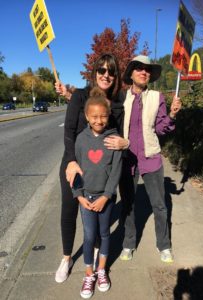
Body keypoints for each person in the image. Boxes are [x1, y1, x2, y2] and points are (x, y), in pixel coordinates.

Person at [54, 53, 127, 284]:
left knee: (96, 213)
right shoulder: (79, 96)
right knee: (69, 209)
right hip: (74, 165)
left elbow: (118, 138)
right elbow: (69, 132)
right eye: (102, 70)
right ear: (95, 72)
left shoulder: (117, 104)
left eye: (111, 71)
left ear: (115, 76)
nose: (106, 75)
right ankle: (67, 258)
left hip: (100, 170)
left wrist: (125, 143)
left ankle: (97, 252)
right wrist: (72, 161)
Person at [104, 55, 182, 263]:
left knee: (159, 205)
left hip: (151, 157)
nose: (144, 72)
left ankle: (164, 245)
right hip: (127, 158)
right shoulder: (121, 98)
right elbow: (105, 115)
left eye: (147, 69)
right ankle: (128, 243)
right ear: (131, 73)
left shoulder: (157, 98)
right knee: (128, 204)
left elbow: (160, 128)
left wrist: (172, 115)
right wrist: (68, 94)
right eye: (139, 68)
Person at [72, 88, 122, 298]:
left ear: (108, 115)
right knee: (89, 235)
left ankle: (101, 269)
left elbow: (116, 171)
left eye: (103, 116)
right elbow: (77, 170)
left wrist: (106, 196)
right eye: (94, 116)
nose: (99, 120)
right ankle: (88, 273)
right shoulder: (81, 140)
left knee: (104, 234)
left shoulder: (113, 139)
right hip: (86, 199)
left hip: (106, 198)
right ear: (86, 117)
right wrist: (79, 195)